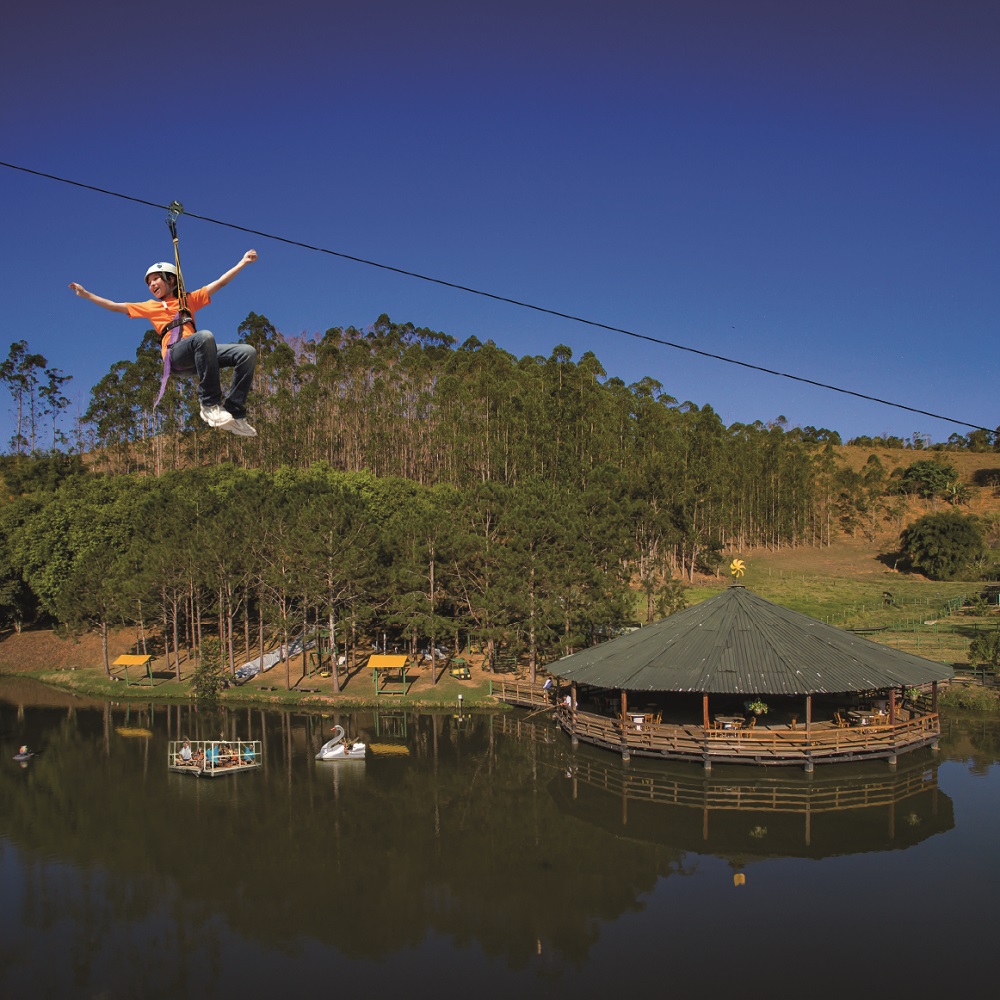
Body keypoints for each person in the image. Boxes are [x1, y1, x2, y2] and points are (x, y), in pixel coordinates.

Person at [69, 250, 259, 436]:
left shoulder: (188, 300)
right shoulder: (151, 306)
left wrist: (242, 263)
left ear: (171, 280)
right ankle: (210, 404)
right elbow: (113, 306)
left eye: (156, 279)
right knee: (205, 336)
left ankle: (234, 410)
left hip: (199, 354)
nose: (152, 285)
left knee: (247, 352)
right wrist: (87, 294)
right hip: (176, 356)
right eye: (149, 282)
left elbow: (220, 283)